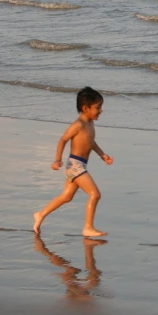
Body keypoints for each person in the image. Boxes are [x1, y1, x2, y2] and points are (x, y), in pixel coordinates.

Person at [33, 86, 113, 236]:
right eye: (98, 107)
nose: (101, 110)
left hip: (80, 165)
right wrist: (57, 160)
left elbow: (91, 142)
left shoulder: (90, 123)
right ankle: (88, 227)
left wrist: (102, 155)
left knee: (66, 196)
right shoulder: (78, 125)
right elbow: (63, 140)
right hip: (75, 166)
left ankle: (40, 214)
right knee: (95, 194)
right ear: (85, 107)